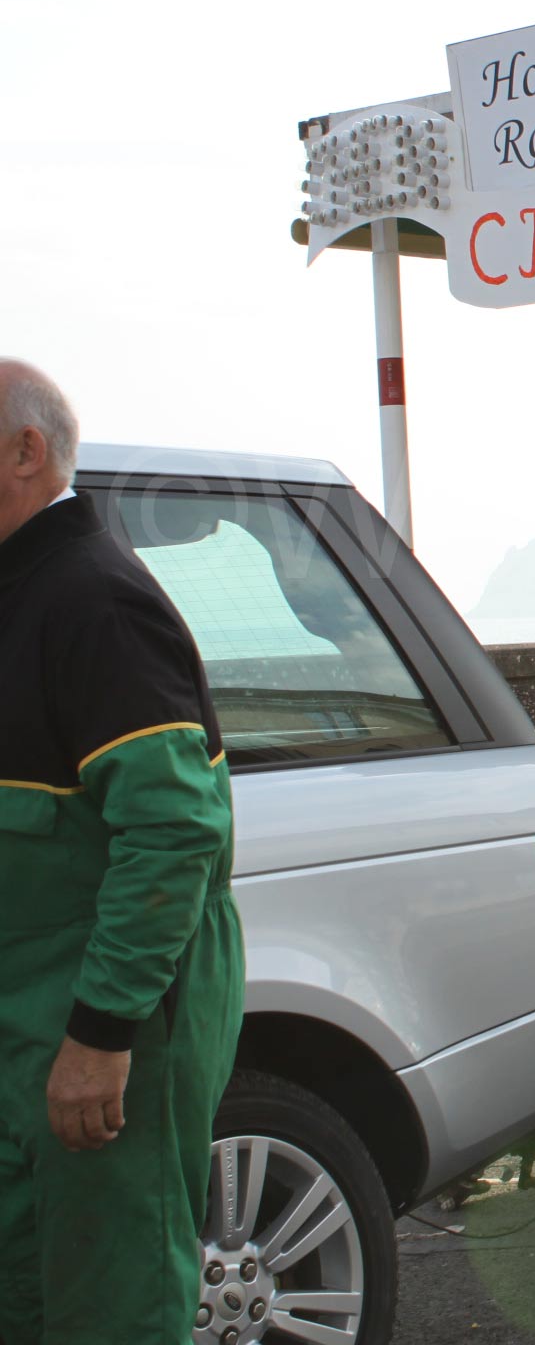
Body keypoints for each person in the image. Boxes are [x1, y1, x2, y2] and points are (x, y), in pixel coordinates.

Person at [0, 360, 245, 1342]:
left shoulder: (92, 601)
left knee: (114, 1304)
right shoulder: (20, 592)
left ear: (25, 451)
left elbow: (174, 830)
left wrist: (100, 1039)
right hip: (26, 1021)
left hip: (100, 1025)